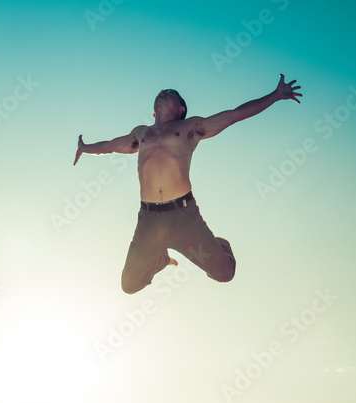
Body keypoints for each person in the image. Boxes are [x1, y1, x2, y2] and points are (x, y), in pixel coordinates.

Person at [73, 74, 302, 294]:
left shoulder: (190, 128)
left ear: (181, 109)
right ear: (153, 113)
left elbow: (234, 115)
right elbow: (111, 146)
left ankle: (218, 244)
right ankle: (160, 259)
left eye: (170, 92)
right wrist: (85, 148)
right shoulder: (141, 133)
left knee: (225, 274)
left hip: (183, 216)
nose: (163, 91)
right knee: (129, 285)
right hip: (149, 220)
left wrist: (275, 95)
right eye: (162, 91)